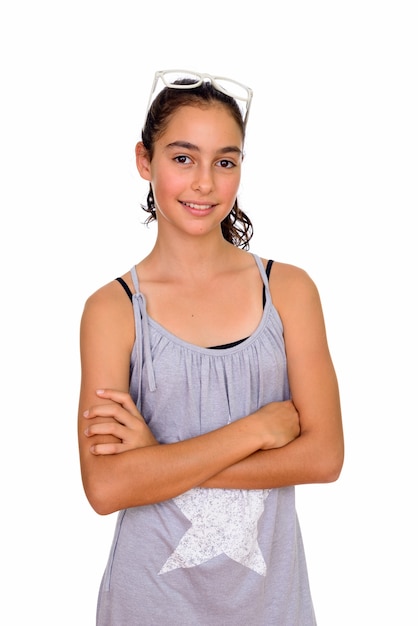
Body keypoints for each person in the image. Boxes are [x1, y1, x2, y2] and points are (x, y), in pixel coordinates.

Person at [78, 69, 344, 626]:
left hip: (272, 607)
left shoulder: (290, 291)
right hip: (147, 603)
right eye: (182, 158)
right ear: (144, 162)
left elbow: (324, 458)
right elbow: (106, 487)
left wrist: (156, 461)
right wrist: (255, 433)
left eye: (225, 161)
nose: (204, 182)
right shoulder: (113, 310)